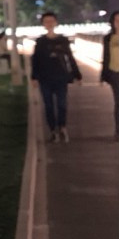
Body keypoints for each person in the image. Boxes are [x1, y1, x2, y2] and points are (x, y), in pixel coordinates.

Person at [31, 11, 82, 143]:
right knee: (48, 105)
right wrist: (34, 77)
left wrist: (77, 75)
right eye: (46, 21)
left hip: (61, 77)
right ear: (43, 24)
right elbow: (35, 60)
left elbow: (70, 58)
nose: (49, 23)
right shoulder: (40, 41)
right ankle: (53, 130)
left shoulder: (63, 40)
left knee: (62, 104)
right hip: (45, 78)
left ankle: (62, 127)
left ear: (56, 23)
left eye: (51, 21)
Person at [100, 10, 119, 141]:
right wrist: (103, 75)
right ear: (112, 22)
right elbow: (105, 57)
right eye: (116, 20)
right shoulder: (108, 38)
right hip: (115, 73)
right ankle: (118, 131)